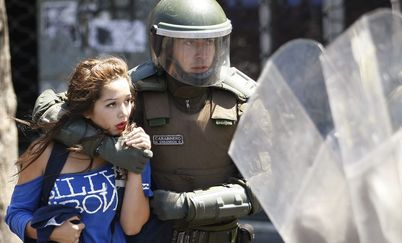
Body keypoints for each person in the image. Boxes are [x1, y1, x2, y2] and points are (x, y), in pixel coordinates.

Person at [31, 0, 261, 242]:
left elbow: (265, 189)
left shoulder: (242, 99)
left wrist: (188, 205)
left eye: (209, 42)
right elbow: (46, 110)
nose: (201, 52)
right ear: (164, 44)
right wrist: (108, 148)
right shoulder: (135, 89)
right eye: (189, 42)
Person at [6, 57, 153, 243]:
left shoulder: (134, 147)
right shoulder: (46, 153)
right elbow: (16, 214)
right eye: (111, 104)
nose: (124, 112)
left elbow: (132, 227)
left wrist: (134, 165)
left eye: (128, 101)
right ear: (86, 110)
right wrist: (48, 232)